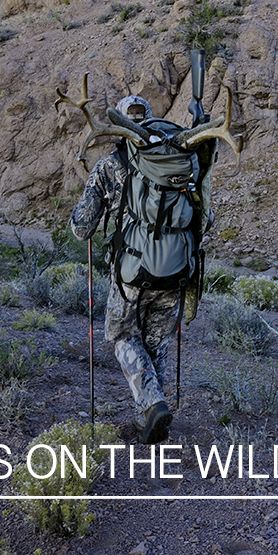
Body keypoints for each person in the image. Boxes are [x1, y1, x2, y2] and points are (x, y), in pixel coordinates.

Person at [69, 94, 181, 445]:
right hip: (173, 269)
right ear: (148, 119)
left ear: (119, 126)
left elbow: (81, 228)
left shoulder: (108, 166)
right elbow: (206, 217)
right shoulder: (173, 162)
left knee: (121, 336)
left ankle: (152, 403)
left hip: (130, 273)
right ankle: (149, 419)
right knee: (156, 341)